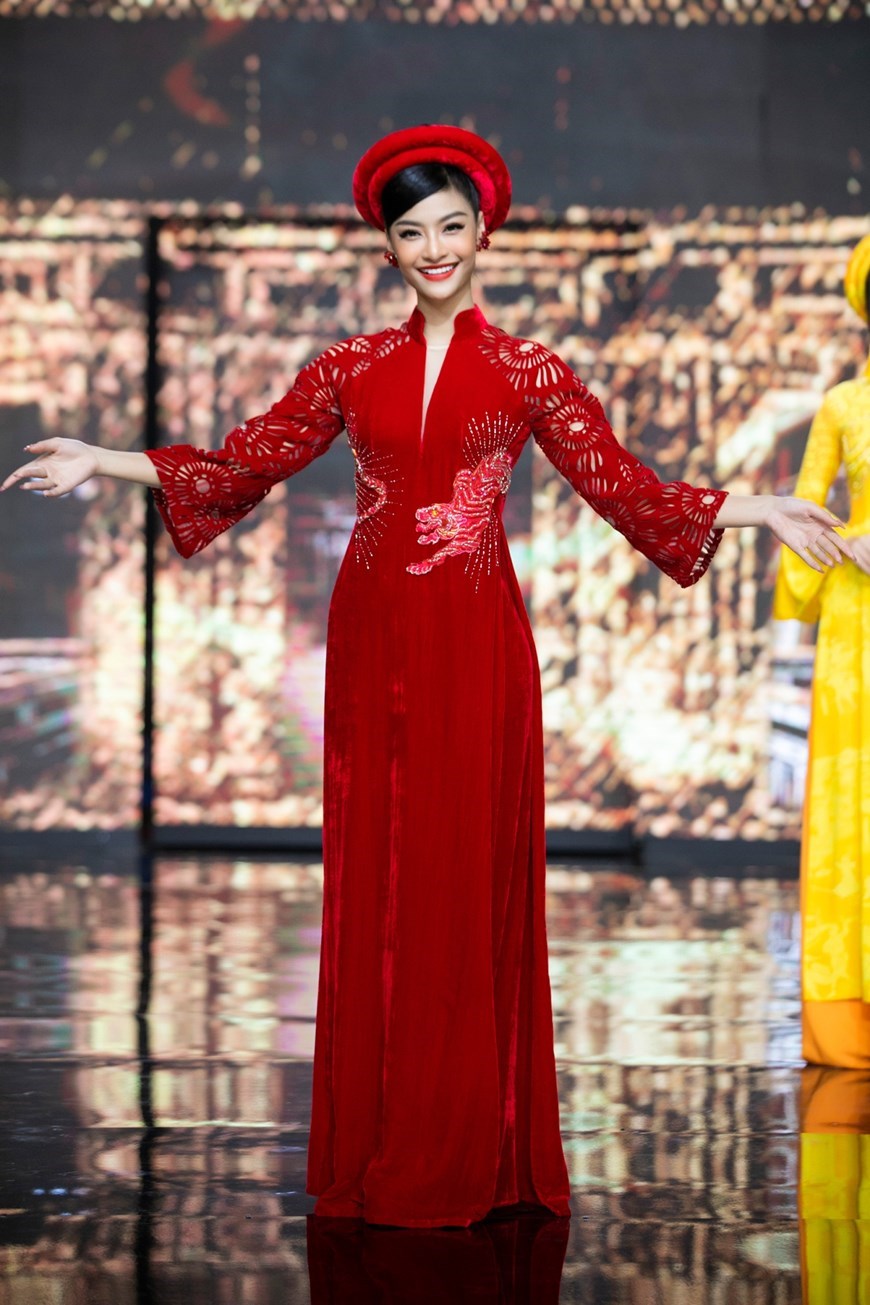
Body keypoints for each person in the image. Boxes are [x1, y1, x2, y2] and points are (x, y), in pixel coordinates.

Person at [1, 126, 854, 1228]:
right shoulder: (351, 368)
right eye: (413, 233)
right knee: (384, 880)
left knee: (463, 872)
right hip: (373, 640)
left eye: (453, 226)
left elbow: (624, 487)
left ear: (484, 232)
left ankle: (472, 1144)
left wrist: (760, 507)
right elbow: (244, 460)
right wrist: (104, 461)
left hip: (476, 642)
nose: (436, 248)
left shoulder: (529, 370)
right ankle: (387, 1132)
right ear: (390, 248)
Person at [773, 232, 870, 1070]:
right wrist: (849, 540)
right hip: (856, 625)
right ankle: (847, 1022)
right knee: (848, 804)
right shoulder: (843, 404)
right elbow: (803, 511)